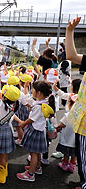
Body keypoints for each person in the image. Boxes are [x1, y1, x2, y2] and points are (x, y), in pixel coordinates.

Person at [16, 80, 55, 182]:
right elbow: (31, 103)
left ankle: (30, 174)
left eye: (33, 90)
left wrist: (23, 123)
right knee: (37, 152)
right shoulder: (44, 103)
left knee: (33, 153)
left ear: (38, 93)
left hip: (35, 131)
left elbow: (31, 119)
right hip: (40, 130)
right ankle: (37, 167)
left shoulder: (38, 107)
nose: (32, 91)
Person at [65, 16, 86, 189]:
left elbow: (71, 56)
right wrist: (69, 30)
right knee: (81, 156)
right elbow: (71, 55)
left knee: (84, 157)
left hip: (85, 124)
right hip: (81, 119)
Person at [0, 74, 21, 184]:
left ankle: (1, 176)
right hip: (7, 129)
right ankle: (3, 171)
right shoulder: (13, 105)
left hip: (0, 130)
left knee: (1, 154)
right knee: (4, 154)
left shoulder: (3, 104)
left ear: (5, 97)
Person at [54, 79, 82, 173]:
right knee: (74, 149)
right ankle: (72, 165)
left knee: (66, 149)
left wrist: (58, 126)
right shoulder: (82, 99)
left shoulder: (71, 98)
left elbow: (62, 94)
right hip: (77, 130)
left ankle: (65, 164)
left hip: (68, 130)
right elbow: (62, 94)